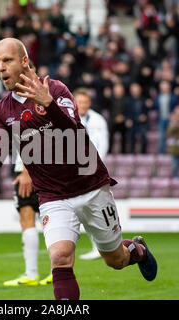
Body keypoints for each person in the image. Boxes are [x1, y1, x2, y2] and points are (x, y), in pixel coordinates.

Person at [0, 38, 157, 300]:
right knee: (60, 258)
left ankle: (137, 250)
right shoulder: (1, 111)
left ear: (25, 61)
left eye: (7, 60)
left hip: (91, 186)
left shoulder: (55, 89)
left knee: (115, 260)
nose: (1, 68)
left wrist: (49, 105)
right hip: (53, 196)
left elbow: (74, 136)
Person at [3, 153, 52, 286]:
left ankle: (31, 274)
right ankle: (57, 271)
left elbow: (28, 138)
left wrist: (26, 171)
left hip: (32, 169)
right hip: (51, 169)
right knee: (52, 217)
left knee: (27, 216)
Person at [73, 88, 109, 260]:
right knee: (82, 211)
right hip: (74, 170)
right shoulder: (67, 117)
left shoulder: (98, 120)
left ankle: (105, 246)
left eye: (85, 102)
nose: (83, 105)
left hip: (93, 169)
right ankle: (97, 246)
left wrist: (94, 166)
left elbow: (103, 144)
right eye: (79, 102)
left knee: (95, 210)